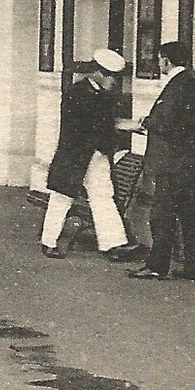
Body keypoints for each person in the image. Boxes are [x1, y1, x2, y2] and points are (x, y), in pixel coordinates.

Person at [40, 49, 139, 259]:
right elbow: (94, 125)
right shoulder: (78, 93)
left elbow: (104, 123)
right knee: (62, 198)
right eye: (112, 77)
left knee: (103, 196)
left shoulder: (101, 95)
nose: (114, 82)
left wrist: (128, 126)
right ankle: (49, 242)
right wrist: (124, 126)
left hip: (95, 155)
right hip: (75, 155)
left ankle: (113, 244)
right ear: (99, 74)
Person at [130, 42, 195, 280]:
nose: (158, 63)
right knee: (188, 215)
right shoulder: (188, 85)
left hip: (173, 164)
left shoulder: (178, 86)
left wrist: (147, 122)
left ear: (167, 60)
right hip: (185, 163)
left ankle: (157, 266)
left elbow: (170, 124)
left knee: (162, 217)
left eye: (160, 59)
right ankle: (193, 266)